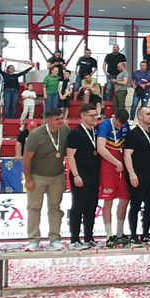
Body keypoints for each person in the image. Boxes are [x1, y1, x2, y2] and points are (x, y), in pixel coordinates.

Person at [22, 108, 67, 251]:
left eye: (62, 118)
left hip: (57, 176)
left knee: (55, 208)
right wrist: (28, 179)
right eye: (57, 119)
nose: (61, 121)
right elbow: (26, 159)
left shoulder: (65, 130)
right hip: (37, 177)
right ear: (48, 120)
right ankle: (33, 240)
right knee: (34, 208)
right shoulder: (36, 135)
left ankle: (55, 239)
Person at [65, 103, 102, 248]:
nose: (94, 118)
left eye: (95, 115)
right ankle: (74, 239)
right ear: (83, 116)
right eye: (91, 116)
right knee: (78, 207)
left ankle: (89, 237)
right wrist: (76, 175)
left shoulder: (96, 131)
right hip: (80, 175)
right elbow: (70, 156)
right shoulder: (75, 133)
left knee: (91, 206)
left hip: (94, 175)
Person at [122, 106, 150, 243]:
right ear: (140, 117)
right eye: (148, 114)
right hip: (137, 174)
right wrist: (131, 173)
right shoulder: (133, 134)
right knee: (136, 205)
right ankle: (133, 235)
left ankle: (145, 233)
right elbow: (127, 154)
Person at [97, 108, 132, 246]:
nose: (120, 126)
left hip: (122, 163)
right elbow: (100, 148)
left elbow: (130, 141)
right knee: (108, 200)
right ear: (114, 117)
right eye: (118, 124)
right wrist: (116, 162)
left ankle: (119, 233)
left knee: (124, 199)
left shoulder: (125, 125)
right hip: (108, 164)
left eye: (122, 124)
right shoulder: (105, 125)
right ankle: (109, 235)